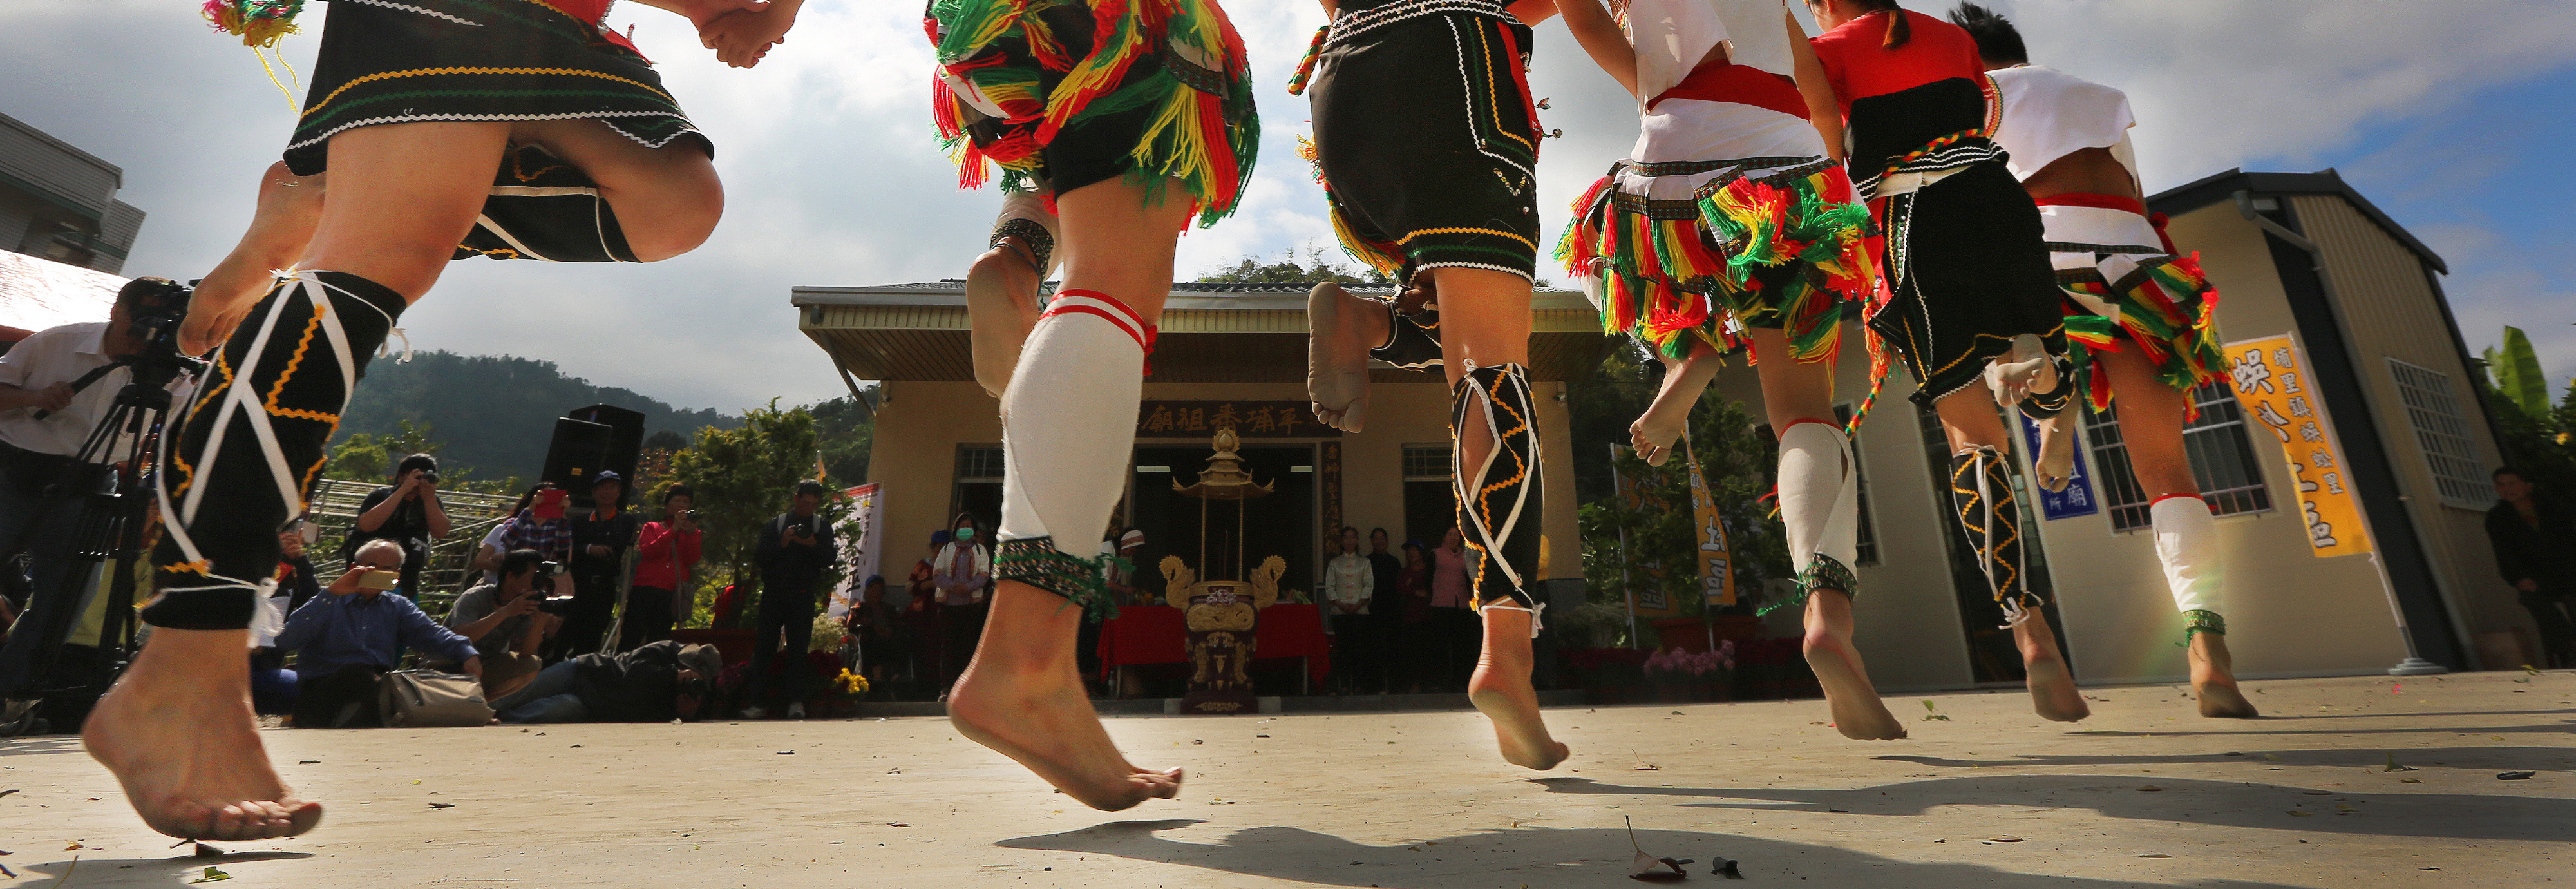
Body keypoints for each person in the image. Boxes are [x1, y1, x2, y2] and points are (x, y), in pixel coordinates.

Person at [93, 0, 782, 839]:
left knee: (675, 199)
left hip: (548, 28)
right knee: (382, 260)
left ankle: (329, 198)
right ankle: (182, 666)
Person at [902, 0, 1260, 810]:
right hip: (1118, 21)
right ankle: (1024, 664)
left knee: (1083, 217)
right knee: (1115, 287)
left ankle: (1019, 250)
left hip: (988, 32)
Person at [1558, 0, 1896, 738]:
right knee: (1804, 413)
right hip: (1786, 160)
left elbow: (1581, 20)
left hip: (1665, 158)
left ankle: (1687, 348)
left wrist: (1650, 86)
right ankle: (1828, 616)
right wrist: (1827, 188)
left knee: (1598, 239)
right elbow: (1815, 93)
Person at [1948, 3, 2251, 718]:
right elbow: (2131, 193)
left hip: (2039, 258)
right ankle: (2208, 650)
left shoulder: (1970, 99)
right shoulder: (2096, 93)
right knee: (2166, 473)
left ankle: (2041, 382)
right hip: (2139, 261)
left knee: (1979, 418)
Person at [1297, 0, 1572, 772]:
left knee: (1457, 328)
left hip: (1345, 85)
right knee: (1493, 369)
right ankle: (1506, 653)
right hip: (1453, 70)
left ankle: (1369, 323)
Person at [1799, 0, 2086, 736]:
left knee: (1972, 440)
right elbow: (1983, 121)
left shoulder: (1824, 50)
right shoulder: (1951, 36)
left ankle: (2029, 632)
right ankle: (2041, 378)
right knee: (2042, 340)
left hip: (1913, 225)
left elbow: (1828, 159)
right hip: (1997, 200)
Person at [0, 278, 189, 698]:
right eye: (136, 327)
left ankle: (10, 692)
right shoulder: (57, 343)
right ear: (115, 312)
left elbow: (182, 430)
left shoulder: (171, 369)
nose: (141, 340)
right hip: (15, 472)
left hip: (90, 484)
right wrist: (32, 397)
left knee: (68, 598)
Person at [271, 540, 482, 729]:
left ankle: (470, 711)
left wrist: (466, 652)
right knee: (358, 673)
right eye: (371, 567)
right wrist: (331, 594)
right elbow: (285, 640)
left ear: (396, 577)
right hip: (323, 690)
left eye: (387, 569)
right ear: (354, 569)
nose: (378, 572)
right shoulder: (328, 600)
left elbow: (431, 633)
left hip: (376, 687)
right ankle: (384, 720)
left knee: (446, 668)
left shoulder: (398, 606)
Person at [746, 479, 837, 719]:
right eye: (806, 503)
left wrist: (812, 544)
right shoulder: (778, 524)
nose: (809, 509)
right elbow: (761, 557)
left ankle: (796, 702)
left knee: (799, 649)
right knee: (764, 648)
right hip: (774, 593)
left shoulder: (821, 526)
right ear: (797, 499)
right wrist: (783, 542)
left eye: (814, 505)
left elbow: (829, 558)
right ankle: (757, 702)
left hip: (803, 595)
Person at [487, 639, 721, 724]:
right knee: (523, 692)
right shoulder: (665, 650)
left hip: (595, 703)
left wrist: (682, 713)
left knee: (553, 709)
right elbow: (632, 676)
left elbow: (645, 713)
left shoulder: (691, 693)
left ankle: (502, 720)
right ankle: (479, 709)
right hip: (585, 670)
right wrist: (673, 676)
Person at [2486, 468, 2576, 669]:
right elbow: (2504, 553)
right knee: (2530, 596)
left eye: (2512, 483)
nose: (2507, 488)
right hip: (2538, 577)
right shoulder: (2498, 518)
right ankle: (2570, 645)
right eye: (2501, 484)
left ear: (2527, 486)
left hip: (2570, 571)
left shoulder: (2556, 508)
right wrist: (2520, 578)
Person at [446, 550, 563, 702]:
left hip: (484, 666)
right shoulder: (475, 596)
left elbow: (527, 653)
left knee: (531, 665)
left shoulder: (524, 604)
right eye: (534, 578)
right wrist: (506, 611)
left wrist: (540, 622)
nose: (538, 584)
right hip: (449, 664)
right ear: (510, 576)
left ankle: (479, 706)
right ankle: (470, 706)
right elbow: (461, 636)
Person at [343, 454, 451, 600]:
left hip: (403, 580)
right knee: (362, 610)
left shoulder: (430, 501)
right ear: (400, 476)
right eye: (416, 477)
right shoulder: (381, 495)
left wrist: (430, 498)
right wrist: (403, 490)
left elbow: (441, 532)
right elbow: (366, 525)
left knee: (398, 615)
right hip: (367, 576)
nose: (420, 482)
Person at [556, 472, 638, 658]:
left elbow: (617, 545)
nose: (607, 492)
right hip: (576, 585)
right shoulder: (579, 521)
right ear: (594, 492)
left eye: (612, 488)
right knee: (563, 635)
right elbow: (567, 548)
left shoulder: (625, 521)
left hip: (603, 587)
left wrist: (589, 547)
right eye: (602, 487)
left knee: (591, 641)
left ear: (619, 492)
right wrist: (588, 549)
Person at [249, 528, 327, 716]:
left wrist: (300, 560)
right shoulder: (241, 570)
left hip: (264, 672)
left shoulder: (288, 582)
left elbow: (312, 603)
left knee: (308, 691)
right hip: (224, 669)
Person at [623, 484, 704, 650]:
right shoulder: (652, 527)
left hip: (672, 591)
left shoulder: (693, 532)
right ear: (667, 505)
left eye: (686, 502)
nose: (681, 505)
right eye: (677, 501)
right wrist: (673, 530)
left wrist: (690, 535)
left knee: (659, 638)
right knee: (632, 634)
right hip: (645, 587)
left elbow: (691, 559)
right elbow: (649, 551)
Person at [933, 513, 992, 691]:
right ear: (956, 529)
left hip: (971, 607)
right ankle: (946, 687)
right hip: (948, 606)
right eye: (962, 525)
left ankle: (965, 688)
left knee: (968, 647)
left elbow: (984, 574)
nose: (965, 529)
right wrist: (952, 586)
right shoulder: (946, 549)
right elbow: (937, 573)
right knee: (948, 648)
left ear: (974, 530)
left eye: (969, 526)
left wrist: (968, 588)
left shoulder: (981, 550)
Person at [1321, 526, 1374, 694]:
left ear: (1357, 540)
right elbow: (1329, 586)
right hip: (1340, 612)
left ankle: (1359, 684)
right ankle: (1343, 684)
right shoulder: (1334, 563)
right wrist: (1341, 604)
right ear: (1342, 541)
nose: (1349, 540)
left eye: (1353, 537)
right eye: (1346, 537)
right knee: (1343, 649)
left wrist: (1359, 604)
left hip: (1360, 612)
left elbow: (1369, 584)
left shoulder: (1365, 562)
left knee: (1360, 649)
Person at [471, 483, 556, 586]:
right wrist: (512, 568)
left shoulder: (550, 532)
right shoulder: (501, 529)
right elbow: (479, 561)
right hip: (492, 584)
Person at [905, 531, 947, 698]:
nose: (942, 551)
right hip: (920, 615)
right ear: (932, 548)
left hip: (941, 614)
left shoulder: (953, 566)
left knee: (937, 653)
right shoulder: (923, 565)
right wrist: (928, 585)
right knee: (920, 651)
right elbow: (909, 586)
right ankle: (919, 688)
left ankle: (936, 688)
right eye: (939, 547)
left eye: (946, 548)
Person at [1364, 528, 1404, 693]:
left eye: (1382, 538)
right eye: (1376, 538)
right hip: (1372, 610)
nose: (1379, 541)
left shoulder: (1395, 562)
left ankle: (1394, 686)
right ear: (1372, 541)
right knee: (1374, 648)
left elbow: (1399, 587)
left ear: (1387, 541)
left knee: (1393, 649)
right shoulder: (1366, 562)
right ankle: (1375, 685)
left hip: (1392, 610)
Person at [1395, 540, 1436, 694]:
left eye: (1415, 551)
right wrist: (1416, 591)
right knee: (1412, 652)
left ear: (1421, 554)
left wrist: (1412, 586)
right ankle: (1414, 683)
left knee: (1428, 650)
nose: (1411, 554)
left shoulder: (1428, 570)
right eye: (1409, 551)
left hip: (1427, 616)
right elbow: (1400, 587)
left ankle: (1430, 683)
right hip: (1409, 618)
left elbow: (1431, 590)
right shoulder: (1404, 572)